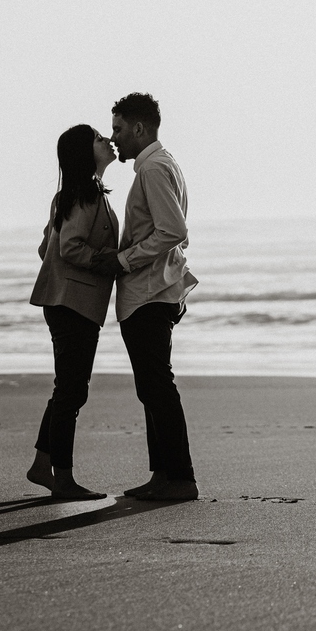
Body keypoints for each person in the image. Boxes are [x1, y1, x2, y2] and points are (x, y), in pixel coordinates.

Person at [99, 93, 199, 501]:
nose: (114, 138)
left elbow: (173, 230)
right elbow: (176, 230)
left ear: (139, 128)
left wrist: (124, 260)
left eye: (119, 129)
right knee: (153, 386)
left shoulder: (153, 169)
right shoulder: (162, 164)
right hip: (157, 289)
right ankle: (164, 475)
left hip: (149, 292)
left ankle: (179, 477)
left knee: (157, 386)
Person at [27, 124, 121, 499]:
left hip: (64, 301)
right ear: (86, 153)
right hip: (73, 304)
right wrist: (110, 262)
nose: (108, 141)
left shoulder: (73, 194)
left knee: (67, 389)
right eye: (99, 138)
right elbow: (71, 247)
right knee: (71, 392)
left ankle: (41, 465)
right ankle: (62, 478)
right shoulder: (85, 195)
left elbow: (46, 248)